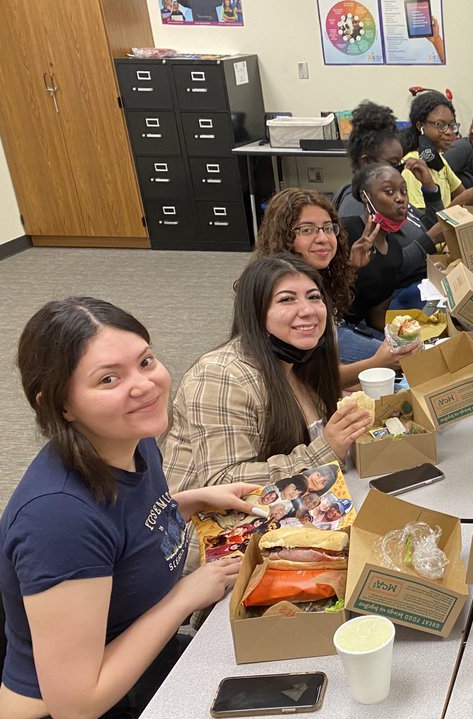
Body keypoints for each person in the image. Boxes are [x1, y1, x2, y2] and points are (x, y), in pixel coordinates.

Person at [0, 297, 366, 719]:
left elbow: (130, 528)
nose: (143, 386)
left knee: (331, 705)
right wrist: (183, 597)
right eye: (108, 379)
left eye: (145, 361)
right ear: (57, 402)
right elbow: (76, 703)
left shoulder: (130, 443)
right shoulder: (58, 519)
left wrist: (191, 501)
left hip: (149, 681)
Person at [163, 254, 374, 493]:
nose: (307, 310)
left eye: (314, 297)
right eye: (287, 300)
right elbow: (224, 481)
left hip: (293, 506)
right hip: (216, 524)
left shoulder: (302, 359)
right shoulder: (220, 374)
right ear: (256, 312)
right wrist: (326, 449)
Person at [252, 187, 411, 380]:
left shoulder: (322, 271)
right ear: (283, 235)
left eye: (328, 228)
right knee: (403, 360)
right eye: (307, 230)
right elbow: (308, 378)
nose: (323, 239)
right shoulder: (275, 288)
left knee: (405, 352)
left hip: (336, 333)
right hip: (312, 371)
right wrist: (377, 364)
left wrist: (350, 268)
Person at [338, 162, 439, 331]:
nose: (400, 198)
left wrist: (399, 337)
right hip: (330, 327)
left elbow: (377, 316)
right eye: (389, 192)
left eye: (403, 191)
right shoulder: (343, 233)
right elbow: (322, 291)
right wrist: (351, 268)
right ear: (365, 196)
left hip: (358, 328)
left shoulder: (394, 251)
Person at [338, 99, 444, 227]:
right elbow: (389, 246)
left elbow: (431, 227)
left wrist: (430, 188)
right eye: (393, 163)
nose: (399, 170)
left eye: (400, 162)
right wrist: (428, 241)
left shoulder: (391, 198)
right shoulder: (357, 207)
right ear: (366, 163)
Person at [400, 90, 473, 217]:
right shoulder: (412, 165)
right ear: (420, 126)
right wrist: (458, 203)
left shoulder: (439, 159)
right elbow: (424, 226)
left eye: (451, 125)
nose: (449, 132)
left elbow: (462, 194)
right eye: (440, 125)